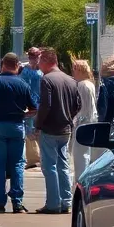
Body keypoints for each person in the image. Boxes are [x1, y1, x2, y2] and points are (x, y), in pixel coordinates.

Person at [0, 52, 34, 213]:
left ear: (2, 64)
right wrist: (23, 115)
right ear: (17, 65)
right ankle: (17, 202)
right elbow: (34, 108)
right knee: (17, 164)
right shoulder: (23, 84)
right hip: (17, 126)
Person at [35, 48, 81, 214]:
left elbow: (45, 105)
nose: (38, 65)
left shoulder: (47, 80)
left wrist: (38, 124)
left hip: (50, 129)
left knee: (49, 166)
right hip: (66, 129)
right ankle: (66, 201)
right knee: (63, 165)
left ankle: (53, 203)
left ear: (47, 61)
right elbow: (78, 105)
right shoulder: (70, 80)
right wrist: (69, 117)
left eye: (40, 61)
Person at [68, 59, 98, 180]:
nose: (72, 72)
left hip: (82, 123)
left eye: (74, 69)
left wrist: (75, 122)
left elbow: (82, 107)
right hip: (90, 122)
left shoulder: (81, 85)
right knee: (86, 154)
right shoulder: (90, 84)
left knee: (80, 156)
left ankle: (80, 181)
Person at [19, 47, 44, 168]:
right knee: (28, 131)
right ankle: (30, 159)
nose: (34, 59)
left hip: (41, 105)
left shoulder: (43, 71)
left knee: (39, 131)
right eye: (31, 57)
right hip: (29, 105)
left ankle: (40, 158)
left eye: (36, 57)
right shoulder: (24, 70)